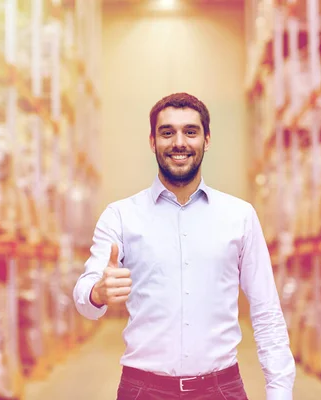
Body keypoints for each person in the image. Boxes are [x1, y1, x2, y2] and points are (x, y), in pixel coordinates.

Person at [73, 92, 295, 399]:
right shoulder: (121, 216)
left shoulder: (239, 216)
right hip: (143, 390)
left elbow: (266, 311)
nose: (179, 142)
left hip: (221, 389)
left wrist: (280, 392)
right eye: (168, 132)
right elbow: (84, 297)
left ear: (207, 140)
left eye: (190, 131)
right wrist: (97, 292)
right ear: (153, 141)